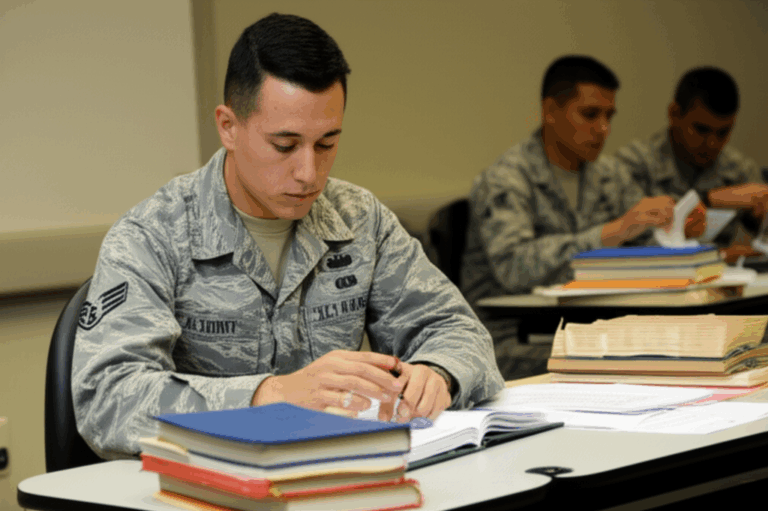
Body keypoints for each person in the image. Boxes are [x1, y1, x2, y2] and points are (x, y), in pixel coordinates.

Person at [72, 13, 504, 460]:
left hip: (342, 479)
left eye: (326, 144)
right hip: (205, 490)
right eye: (284, 145)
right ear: (228, 126)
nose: (308, 173)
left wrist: (437, 373)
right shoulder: (154, 235)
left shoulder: (360, 220)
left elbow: (456, 329)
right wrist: (271, 395)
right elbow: (107, 398)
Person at [461, 55, 702, 380]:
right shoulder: (507, 178)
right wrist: (612, 232)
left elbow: (645, 242)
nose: (603, 129)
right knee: (635, 363)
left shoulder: (608, 174)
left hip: (588, 325)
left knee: (689, 345)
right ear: (549, 111)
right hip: (508, 337)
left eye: (609, 116)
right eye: (589, 115)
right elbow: (513, 266)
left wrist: (677, 228)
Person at [616, 67, 766, 261]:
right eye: (701, 130)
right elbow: (632, 244)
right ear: (674, 114)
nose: (712, 143)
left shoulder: (739, 169)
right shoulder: (632, 164)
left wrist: (757, 219)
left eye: (723, 132)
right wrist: (708, 200)